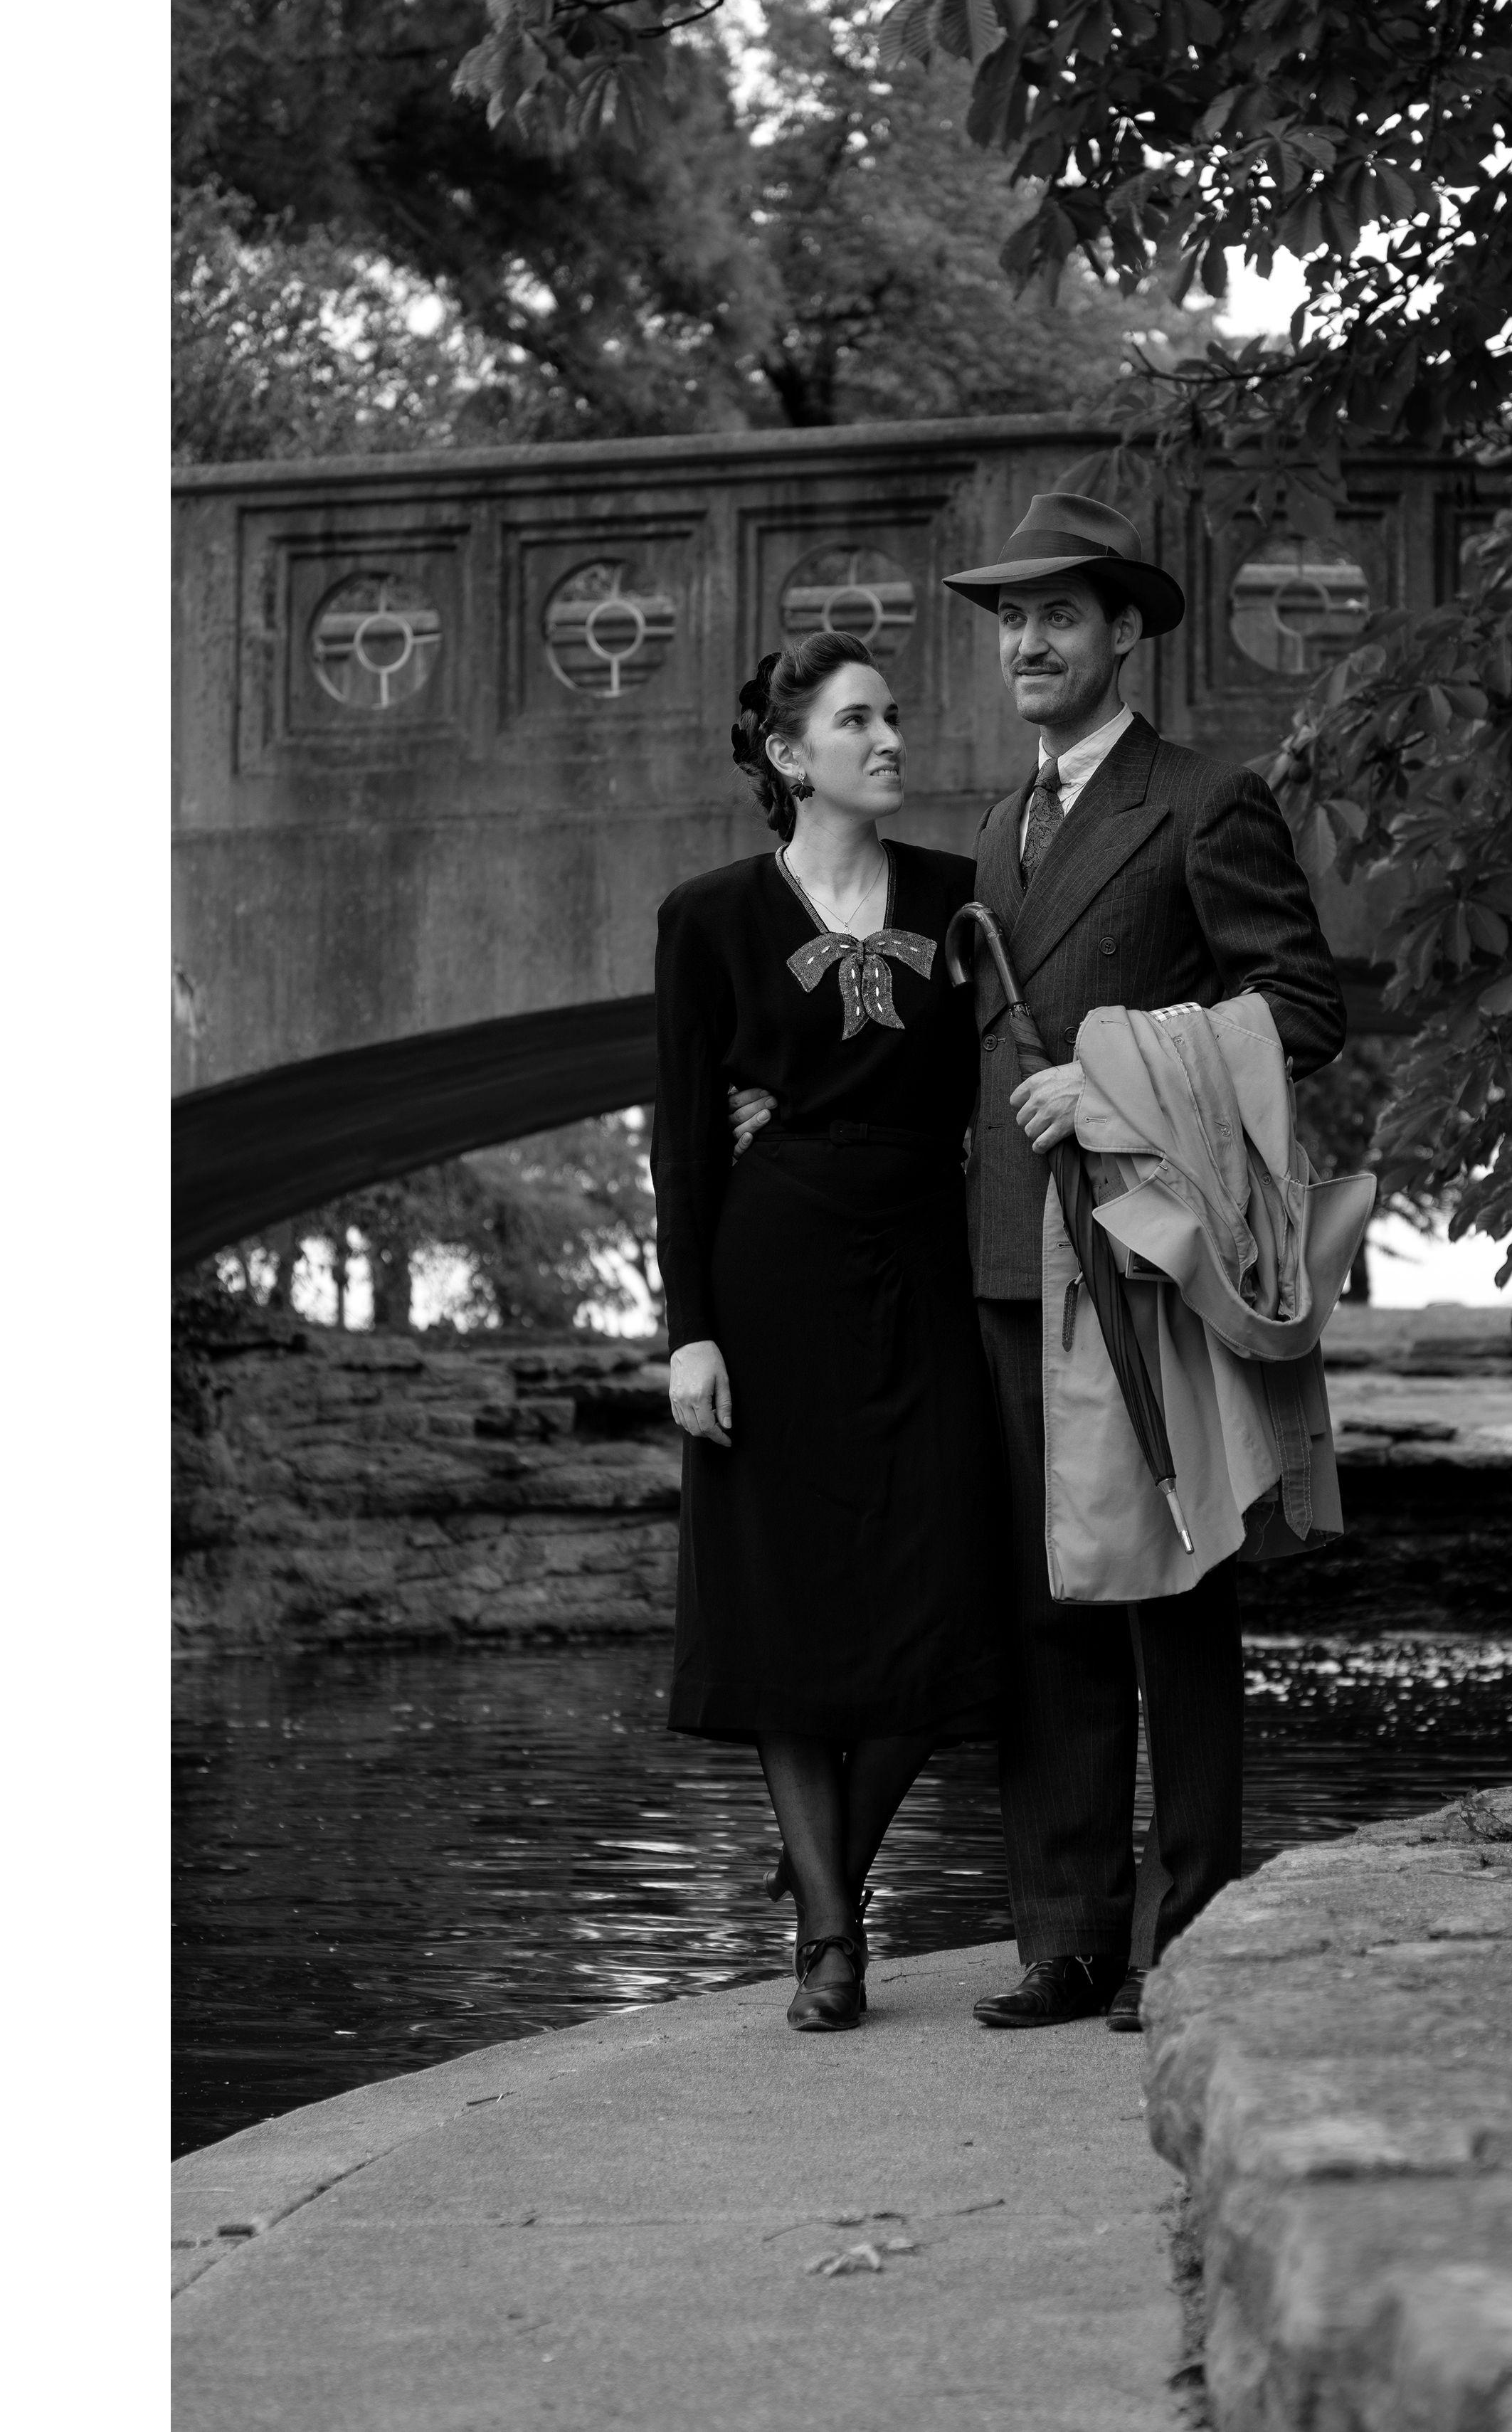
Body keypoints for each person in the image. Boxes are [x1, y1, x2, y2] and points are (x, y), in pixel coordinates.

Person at [943, 493, 1346, 2032]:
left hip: (1143, 1256)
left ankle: (1186, 1933)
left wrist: (1114, 1086)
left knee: (1171, 1592)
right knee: (1047, 1600)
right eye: (1010, 619)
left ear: (1123, 631)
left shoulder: (1202, 801)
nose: (1028, 642)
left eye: (1058, 614)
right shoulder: (998, 827)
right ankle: (1067, 1935)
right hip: (1007, 1259)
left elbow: (1301, 1007)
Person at [652, 630, 1008, 2034]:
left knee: (950, 1586)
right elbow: (685, 1138)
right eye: (857, 720)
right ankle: (829, 1940)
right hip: (773, 1267)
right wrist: (691, 1332)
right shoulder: (709, 917)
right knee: (783, 1600)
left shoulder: (965, 897)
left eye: (892, 715)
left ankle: (826, 1875)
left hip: (924, 1257)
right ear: (790, 755)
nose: (889, 738)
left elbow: (1007, 1072)